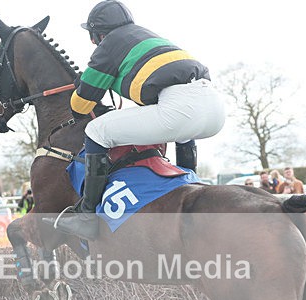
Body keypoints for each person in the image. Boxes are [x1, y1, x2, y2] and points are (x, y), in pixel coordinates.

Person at [51, 0, 226, 240]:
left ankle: (86, 217)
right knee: (181, 132)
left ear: (96, 35)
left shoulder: (108, 45)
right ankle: (190, 181)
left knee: (95, 131)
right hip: (214, 109)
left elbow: (80, 105)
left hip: (179, 108)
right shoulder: (149, 37)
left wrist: (82, 86)